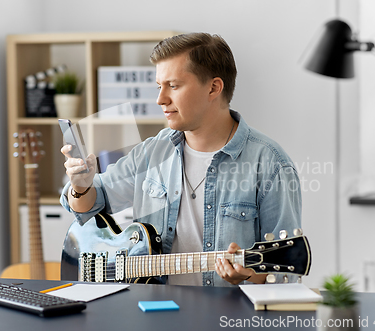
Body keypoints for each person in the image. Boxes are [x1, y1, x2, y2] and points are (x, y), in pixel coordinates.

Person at [60, 32, 302, 287]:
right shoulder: (153, 151)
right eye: (159, 86)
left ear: (213, 87)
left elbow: (286, 271)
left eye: (173, 86)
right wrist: (81, 186)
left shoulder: (271, 164)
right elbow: (91, 206)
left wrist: (250, 275)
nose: (160, 99)